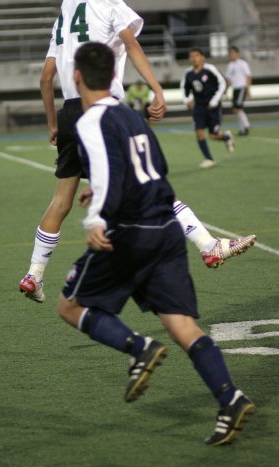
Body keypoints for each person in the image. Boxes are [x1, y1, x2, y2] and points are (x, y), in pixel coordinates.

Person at [18, 0, 255, 303]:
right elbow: (131, 44)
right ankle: (208, 245)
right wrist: (158, 89)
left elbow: (45, 78)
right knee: (150, 182)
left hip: (70, 110)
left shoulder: (63, 14)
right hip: (104, 109)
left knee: (61, 199)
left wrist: (54, 123)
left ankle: (33, 274)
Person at [58, 41, 256, 447]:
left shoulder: (89, 120)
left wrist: (96, 215)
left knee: (70, 305)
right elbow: (155, 168)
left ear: (76, 77)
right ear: (114, 75)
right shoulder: (130, 115)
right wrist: (99, 191)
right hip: (166, 227)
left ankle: (138, 347)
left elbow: (110, 173)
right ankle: (230, 399)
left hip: (130, 232)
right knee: (182, 326)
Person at [181, 48, 234, 168]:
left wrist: (215, 100)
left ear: (202, 57)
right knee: (199, 132)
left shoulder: (210, 69)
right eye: (192, 56)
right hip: (198, 106)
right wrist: (186, 100)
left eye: (196, 56)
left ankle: (226, 136)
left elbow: (223, 83)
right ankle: (209, 159)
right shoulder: (188, 73)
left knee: (213, 135)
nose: (194, 58)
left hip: (212, 107)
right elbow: (184, 88)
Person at [226, 46, 252, 136]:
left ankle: (246, 126)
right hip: (235, 89)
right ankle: (242, 128)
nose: (231, 55)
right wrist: (226, 90)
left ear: (237, 54)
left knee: (238, 108)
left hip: (242, 88)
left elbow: (248, 76)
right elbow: (229, 79)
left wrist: (248, 89)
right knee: (236, 109)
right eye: (230, 53)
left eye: (233, 53)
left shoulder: (242, 63)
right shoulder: (230, 65)